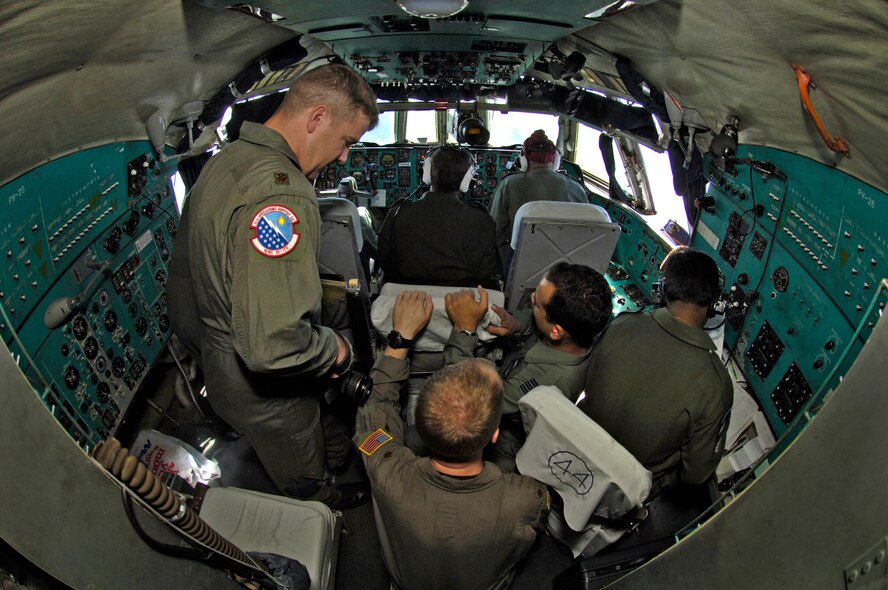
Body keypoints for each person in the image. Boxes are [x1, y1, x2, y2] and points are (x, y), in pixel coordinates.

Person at [166, 64, 379, 509]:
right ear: (317, 118)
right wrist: (336, 351)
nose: (344, 157)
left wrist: (209, 352)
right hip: (264, 389)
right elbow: (275, 347)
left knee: (319, 425)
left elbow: (184, 277)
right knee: (299, 455)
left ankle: (339, 459)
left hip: (219, 358)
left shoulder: (227, 161)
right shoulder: (283, 194)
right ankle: (323, 497)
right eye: (346, 142)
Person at [354, 290, 550, 590]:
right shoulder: (523, 499)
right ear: (495, 434)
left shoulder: (385, 469)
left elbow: (375, 409)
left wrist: (400, 339)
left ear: (420, 425)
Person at [578, 247, 733, 497]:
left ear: (662, 291)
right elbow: (696, 475)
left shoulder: (621, 324)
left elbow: (589, 386)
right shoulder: (717, 384)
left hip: (578, 447)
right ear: (714, 303)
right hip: (625, 491)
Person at [443, 262, 613, 471]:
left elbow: (469, 399)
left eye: (537, 304)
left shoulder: (548, 381)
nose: (531, 297)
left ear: (556, 331)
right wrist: (519, 324)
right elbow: (540, 324)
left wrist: (464, 330)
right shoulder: (575, 329)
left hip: (507, 428)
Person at [376, 145, 500, 287]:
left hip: (408, 298)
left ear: (426, 173)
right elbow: (485, 272)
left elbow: (386, 261)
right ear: (467, 181)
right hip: (461, 301)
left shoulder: (397, 214)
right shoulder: (482, 220)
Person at [488, 130, 589, 270]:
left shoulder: (508, 185)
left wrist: (508, 262)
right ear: (555, 160)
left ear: (523, 160)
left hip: (522, 267)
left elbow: (494, 229)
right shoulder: (577, 188)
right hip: (566, 267)